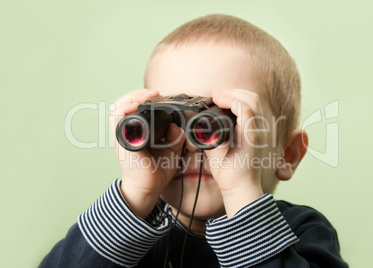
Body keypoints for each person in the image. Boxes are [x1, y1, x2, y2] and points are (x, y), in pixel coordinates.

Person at [40, 14, 348, 267]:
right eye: (168, 122)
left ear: (287, 154)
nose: (191, 144)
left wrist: (240, 191)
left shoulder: (304, 230)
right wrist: (136, 193)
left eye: (222, 121)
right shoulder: (127, 227)